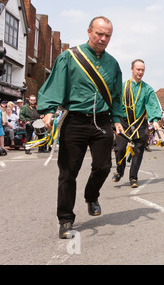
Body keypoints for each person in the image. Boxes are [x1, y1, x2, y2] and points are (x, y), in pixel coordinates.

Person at [37, 16, 124, 239]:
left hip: (102, 120)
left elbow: (115, 96)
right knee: (68, 172)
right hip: (75, 120)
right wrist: (48, 110)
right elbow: (55, 84)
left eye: (107, 35)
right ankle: (65, 220)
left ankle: (91, 195)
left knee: (104, 166)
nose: (103, 39)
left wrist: (117, 119)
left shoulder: (113, 64)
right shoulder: (69, 57)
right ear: (89, 32)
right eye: (99, 34)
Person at [112, 59, 162, 188]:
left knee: (137, 152)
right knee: (119, 149)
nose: (140, 72)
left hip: (140, 124)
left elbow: (152, 104)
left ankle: (133, 178)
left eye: (142, 70)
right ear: (132, 69)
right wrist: (114, 120)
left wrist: (155, 120)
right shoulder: (122, 86)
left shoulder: (147, 88)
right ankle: (119, 170)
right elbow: (115, 103)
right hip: (123, 123)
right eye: (138, 69)